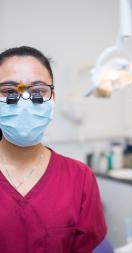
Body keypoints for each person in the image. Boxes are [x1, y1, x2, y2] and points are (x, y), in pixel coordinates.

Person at [0, 46, 107, 253]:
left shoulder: (80, 178)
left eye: (38, 91)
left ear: (53, 99)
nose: (24, 103)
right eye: (9, 91)